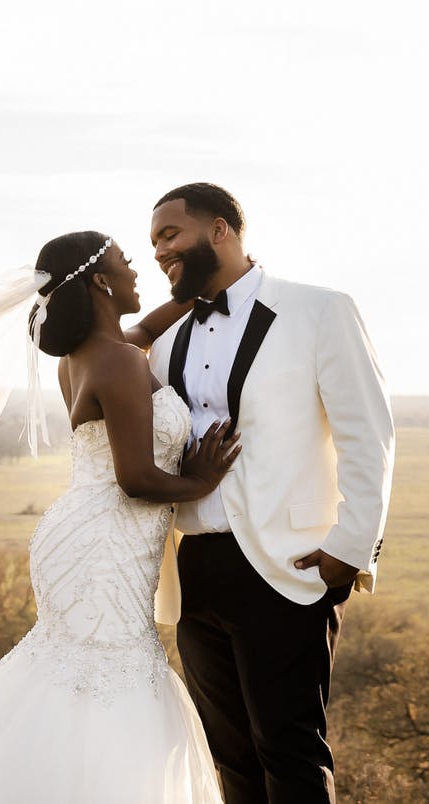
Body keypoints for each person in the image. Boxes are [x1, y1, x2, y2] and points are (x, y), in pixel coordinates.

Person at [0, 231, 236, 802]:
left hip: (78, 534)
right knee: (108, 675)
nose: (137, 272)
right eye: (126, 264)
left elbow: (147, 330)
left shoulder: (87, 358)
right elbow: (136, 479)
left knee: (74, 672)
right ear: (102, 281)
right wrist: (201, 481)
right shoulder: (120, 363)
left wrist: (199, 288)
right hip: (107, 543)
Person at [147, 183, 395, 802]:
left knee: (290, 752)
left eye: (170, 235)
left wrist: (353, 545)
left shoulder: (320, 311)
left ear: (221, 230)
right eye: (153, 242)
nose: (159, 252)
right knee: (229, 756)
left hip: (289, 564)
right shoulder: (167, 343)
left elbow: (369, 434)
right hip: (195, 567)